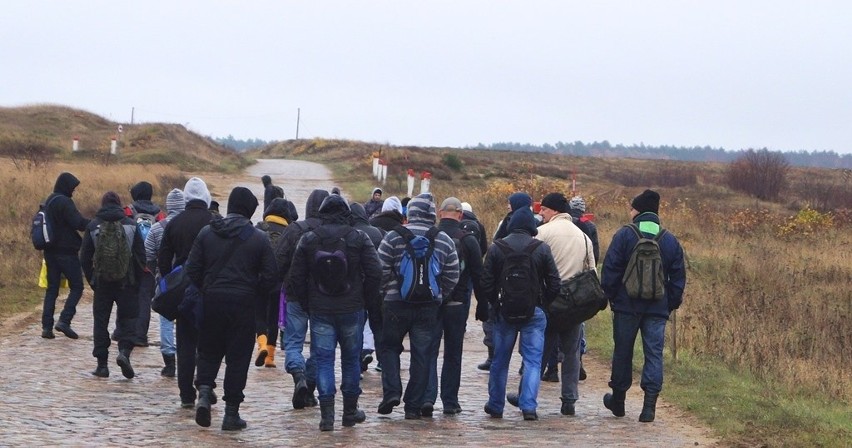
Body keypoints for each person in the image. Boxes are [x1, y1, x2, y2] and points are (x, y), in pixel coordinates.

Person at [287, 194, 382, 431]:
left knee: (324, 360)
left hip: (320, 309)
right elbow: (375, 271)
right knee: (351, 360)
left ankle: (326, 416)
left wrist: (308, 303)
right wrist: (367, 301)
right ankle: (349, 412)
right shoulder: (358, 238)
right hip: (352, 308)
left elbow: (295, 276)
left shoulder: (309, 239)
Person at [186, 187, 277, 431]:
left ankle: (204, 393)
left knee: (208, 349)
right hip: (243, 304)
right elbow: (271, 276)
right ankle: (231, 414)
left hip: (211, 301)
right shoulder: (259, 238)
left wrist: (208, 288)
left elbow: (191, 270)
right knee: (237, 358)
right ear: (249, 210)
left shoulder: (207, 233)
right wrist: (253, 289)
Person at [601, 189, 686, 423]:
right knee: (654, 355)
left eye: (631, 208)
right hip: (657, 309)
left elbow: (610, 271)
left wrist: (611, 297)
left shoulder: (624, 235)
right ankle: (649, 408)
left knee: (622, 352)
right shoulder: (669, 239)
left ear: (637, 211)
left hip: (627, 308)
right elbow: (678, 279)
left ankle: (618, 402)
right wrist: (669, 304)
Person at [507, 193, 594, 416]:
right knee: (572, 352)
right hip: (574, 303)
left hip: (547, 300)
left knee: (537, 351)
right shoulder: (583, 236)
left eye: (543, 210)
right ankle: (569, 399)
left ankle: (525, 394)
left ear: (553, 210)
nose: (541, 214)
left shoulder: (542, 233)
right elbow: (591, 271)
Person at [376, 193, 460, 420]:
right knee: (422, 354)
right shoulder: (443, 239)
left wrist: (385, 292)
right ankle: (413, 406)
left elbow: (380, 269)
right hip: (428, 306)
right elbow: (453, 274)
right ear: (433, 215)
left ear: (409, 213)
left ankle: (392, 391)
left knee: (389, 347)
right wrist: (438, 294)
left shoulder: (393, 237)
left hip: (395, 304)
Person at [480, 204, 560, 421]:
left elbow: (486, 282)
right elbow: (554, 282)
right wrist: (544, 304)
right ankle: (528, 407)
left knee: (500, 360)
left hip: (504, 313)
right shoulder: (541, 248)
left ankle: (496, 405)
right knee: (533, 361)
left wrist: (495, 305)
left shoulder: (497, 248)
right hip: (534, 312)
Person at [424, 197, 485, 416]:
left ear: (440, 213)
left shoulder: (429, 236)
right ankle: (450, 401)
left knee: (428, 351)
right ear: (460, 215)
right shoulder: (468, 240)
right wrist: (483, 306)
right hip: (457, 304)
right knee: (453, 352)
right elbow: (479, 275)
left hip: (430, 303)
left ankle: (427, 398)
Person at [158, 177, 214, 408]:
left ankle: (185, 394)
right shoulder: (214, 221)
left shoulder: (175, 223)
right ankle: (204, 385)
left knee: (185, 343)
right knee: (209, 342)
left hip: (183, 290)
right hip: (209, 289)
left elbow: (162, 258)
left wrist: (171, 280)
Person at [79, 191, 146, 378]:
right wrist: (137, 282)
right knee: (128, 320)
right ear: (119, 204)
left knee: (100, 322)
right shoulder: (131, 225)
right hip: (127, 283)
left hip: (102, 284)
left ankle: (102, 365)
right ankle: (124, 352)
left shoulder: (93, 226)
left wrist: (93, 280)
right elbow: (141, 256)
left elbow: (84, 257)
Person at [275, 189, 329, 409]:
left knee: (293, 343)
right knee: (320, 347)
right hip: (323, 297)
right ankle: (310, 388)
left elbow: (279, 261)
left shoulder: (294, 229)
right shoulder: (331, 232)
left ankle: (299, 378)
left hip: (295, 295)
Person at [478, 192, 532, 370]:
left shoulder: (531, 224)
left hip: (514, 281)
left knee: (500, 325)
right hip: (513, 282)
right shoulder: (506, 222)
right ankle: (494, 356)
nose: (508, 206)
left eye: (510, 203)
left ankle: (497, 359)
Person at [40, 172, 90, 339]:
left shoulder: (50, 200)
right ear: (67, 186)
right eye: (73, 187)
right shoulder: (65, 202)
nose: (73, 190)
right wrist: (96, 223)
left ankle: (46, 328)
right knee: (77, 286)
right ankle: (64, 320)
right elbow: (78, 223)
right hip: (66, 252)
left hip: (50, 251)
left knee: (52, 289)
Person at [144, 188, 185, 377]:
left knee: (166, 319)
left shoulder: (157, 228)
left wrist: (156, 273)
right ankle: (188, 356)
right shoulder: (191, 226)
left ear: (168, 207)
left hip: (165, 280)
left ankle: (169, 361)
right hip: (187, 280)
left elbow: (148, 255)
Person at [253, 197, 297, 368]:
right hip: (279, 282)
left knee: (259, 314)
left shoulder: (258, 228)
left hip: (259, 280)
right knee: (273, 317)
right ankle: (270, 357)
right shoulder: (290, 231)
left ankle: (261, 345)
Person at [124, 181, 166, 347]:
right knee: (144, 300)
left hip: (131, 261)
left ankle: (124, 332)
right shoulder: (159, 214)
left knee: (127, 297)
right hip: (150, 263)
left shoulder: (128, 210)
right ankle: (141, 336)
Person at [349, 202, 387, 372]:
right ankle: (383, 360)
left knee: (356, 326)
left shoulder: (350, 234)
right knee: (378, 326)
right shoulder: (378, 232)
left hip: (356, 288)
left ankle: (358, 361)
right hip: (377, 287)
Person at [567, 195, 599, 381]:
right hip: (582, 279)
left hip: (563, 276)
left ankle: (553, 367)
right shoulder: (590, 227)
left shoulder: (564, 224)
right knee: (579, 322)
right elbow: (596, 254)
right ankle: (579, 360)